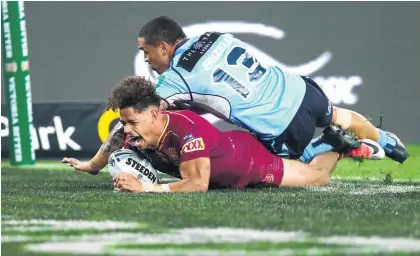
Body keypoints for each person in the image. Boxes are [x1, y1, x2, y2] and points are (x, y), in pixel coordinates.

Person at [73, 76, 383, 193]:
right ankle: (324, 145)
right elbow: (116, 136)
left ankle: (334, 143)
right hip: (231, 153)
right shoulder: (133, 129)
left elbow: (197, 185)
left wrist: (146, 189)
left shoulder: (186, 130)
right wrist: (92, 166)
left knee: (320, 178)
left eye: (132, 122)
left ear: (155, 114)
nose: (127, 129)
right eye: (124, 122)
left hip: (251, 164)